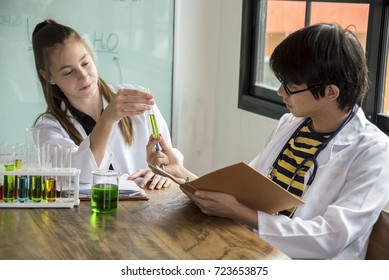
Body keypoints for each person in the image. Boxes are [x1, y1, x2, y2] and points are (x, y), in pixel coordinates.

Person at [147, 23, 389, 259]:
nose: (280, 92)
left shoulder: (374, 151)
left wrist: (241, 212)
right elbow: (242, 193)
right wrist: (179, 171)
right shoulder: (290, 125)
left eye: (291, 86)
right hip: (253, 250)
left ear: (330, 92)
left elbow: (328, 239)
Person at [32, 19, 182, 189]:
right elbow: (81, 176)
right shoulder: (48, 129)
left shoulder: (136, 98)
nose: (83, 76)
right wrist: (107, 119)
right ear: (48, 76)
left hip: (148, 209)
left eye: (85, 63)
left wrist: (161, 171)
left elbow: (169, 155)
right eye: (68, 72)